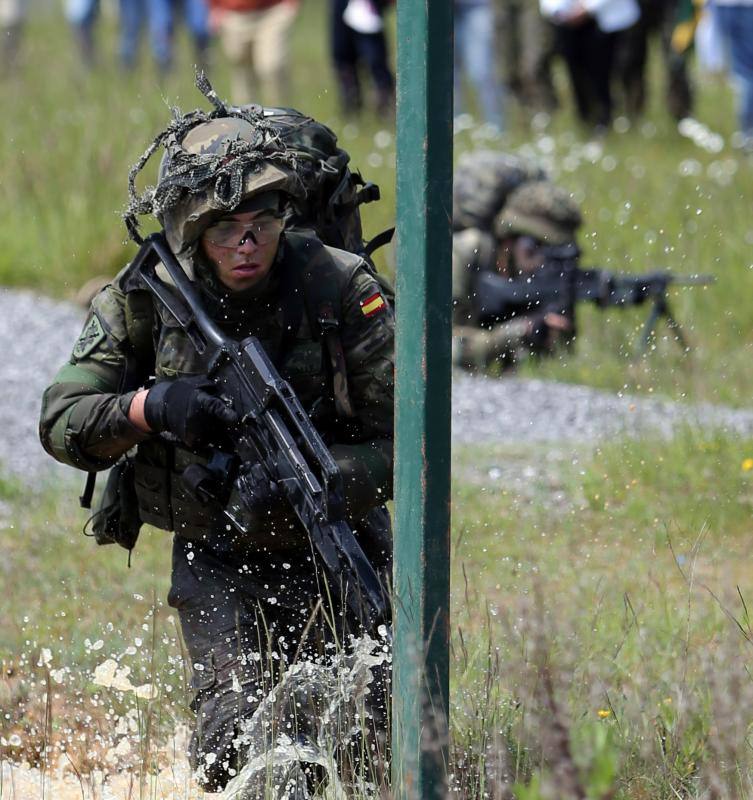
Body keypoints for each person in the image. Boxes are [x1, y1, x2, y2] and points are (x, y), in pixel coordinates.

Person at [39, 95, 394, 793]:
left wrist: (324, 481)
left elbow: (408, 448)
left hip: (339, 543)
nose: (246, 243)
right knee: (232, 744)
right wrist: (151, 406)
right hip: (218, 556)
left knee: (364, 747)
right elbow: (61, 418)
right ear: (194, 231)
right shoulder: (148, 297)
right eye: (225, 227)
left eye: (261, 222)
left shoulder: (339, 285)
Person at [452, 180, 581, 371]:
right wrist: (518, 333)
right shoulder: (463, 254)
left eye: (553, 252)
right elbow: (435, 349)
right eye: (534, 247)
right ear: (509, 240)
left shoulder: (547, 280)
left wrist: (548, 330)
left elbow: (562, 359)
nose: (542, 261)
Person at [540, 0, 640, 130]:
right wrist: (560, 11)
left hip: (603, 19)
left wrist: (587, 8)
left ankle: (606, 120)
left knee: (602, 73)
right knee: (575, 73)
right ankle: (585, 120)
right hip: (566, 20)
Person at [208, 0, 299, 105]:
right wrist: (214, 8)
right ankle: (245, 116)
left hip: (273, 12)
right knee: (242, 69)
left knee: (271, 66)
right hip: (233, 15)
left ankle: (280, 115)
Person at [330, 0, 395, 115]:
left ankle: (385, 107)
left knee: (376, 60)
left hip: (367, 8)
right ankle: (351, 107)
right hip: (342, 5)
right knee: (343, 58)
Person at [454, 0, 506, 130]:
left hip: (476, 6)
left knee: (481, 71)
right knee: (448, 74)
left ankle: (496, 128)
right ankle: (454, 127)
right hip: (440, 8)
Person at [711, 0, 753, 149]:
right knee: (746, 70)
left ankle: (746, 131)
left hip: (723, 5)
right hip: (744, 7)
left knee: (741, 70)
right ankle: (747, 131)